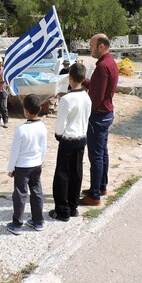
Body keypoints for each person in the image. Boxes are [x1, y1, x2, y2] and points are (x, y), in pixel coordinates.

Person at [79, 33, 119, 206]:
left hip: (99, 116)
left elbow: (96, 97)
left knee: (95, 157)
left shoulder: (103, 66)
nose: (90, 48)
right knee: (102, 153)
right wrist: (83, 80)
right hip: (106, 114)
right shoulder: (109, 63)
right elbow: (97, 87)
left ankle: (94, 195)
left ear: (101, 46)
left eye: (91, 45)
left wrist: (86, 114)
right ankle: (101, 186)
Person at [50, 63, 91, 221]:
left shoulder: (66, 99)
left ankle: (62, 210)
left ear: (70, 78)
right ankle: (73, 207)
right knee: (76, 173)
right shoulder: (87, 97)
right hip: (81, 137)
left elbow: (60, 124)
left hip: (68, 139)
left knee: (62, 175)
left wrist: (58, 135)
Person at [6, 94, 47, 235]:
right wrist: (40, 161)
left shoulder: (21, 129)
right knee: (37, 192)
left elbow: (14, 152)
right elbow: (43, 148)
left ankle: (17, 224)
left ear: (25, 110)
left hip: (22, 166)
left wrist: (11, 169)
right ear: (40, 109)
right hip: (36, 164)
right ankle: (38, 221)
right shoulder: (42, 127)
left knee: (20, 194)